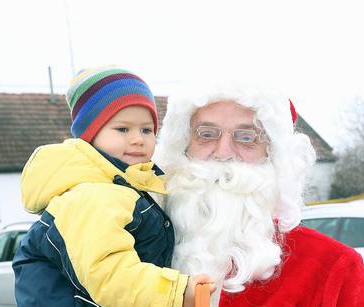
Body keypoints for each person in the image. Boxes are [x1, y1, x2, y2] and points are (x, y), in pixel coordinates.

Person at [154, 81, 364, 307]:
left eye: (246, 137)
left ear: (274, 156)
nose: (223, 153)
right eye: (206, 134)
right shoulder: (131, 250)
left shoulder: (332, 269)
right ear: (181, 146)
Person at [12, 67, 213, 307]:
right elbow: (110, 276)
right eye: (123, 129)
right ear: (91, 134)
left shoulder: (122, 187)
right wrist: (177, 291)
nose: (138, 138)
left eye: (146, 129)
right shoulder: (92, 195)